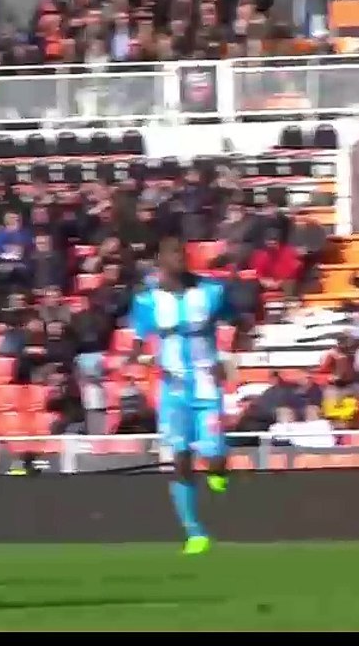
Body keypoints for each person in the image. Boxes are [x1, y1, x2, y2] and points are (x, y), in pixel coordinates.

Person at [126, 233, 240, 556]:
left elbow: (238, 322)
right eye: (171, 254)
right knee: (179, 457)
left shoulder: (212, 292)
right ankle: (194, 532)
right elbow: (138, 338)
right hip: (172, 389)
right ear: (160, 261)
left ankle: (218, 469)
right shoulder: (147, 301)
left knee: (214, 455)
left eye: (182, 253)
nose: (178, 258)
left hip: (206, 385)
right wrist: (134, 360)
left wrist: (228, 359)